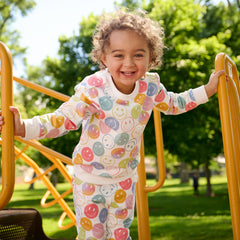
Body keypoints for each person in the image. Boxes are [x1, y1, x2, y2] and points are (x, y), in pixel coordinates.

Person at [0, 10, 224, 240]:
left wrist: (207, 90)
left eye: (138, 55)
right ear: (104, 58)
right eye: (118, 55)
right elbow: (64, 119)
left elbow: (175, 103)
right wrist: (23, 127)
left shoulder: (150, 87)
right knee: (93, 237)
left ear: (151, 57)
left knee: (120, 236)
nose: (128, 63)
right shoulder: (95, 88)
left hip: (124, 179)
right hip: (89, 178)